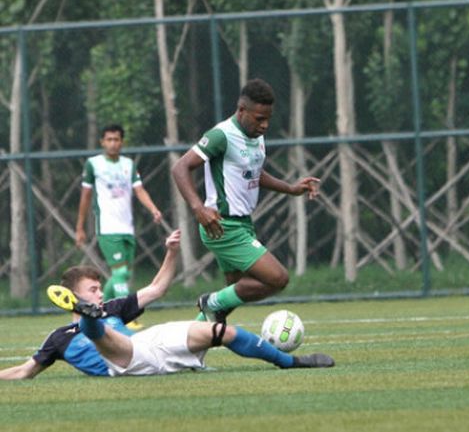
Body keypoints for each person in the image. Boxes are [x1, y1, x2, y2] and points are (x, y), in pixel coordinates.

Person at [0, 230, 334, 380]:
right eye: (93, 290)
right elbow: (25, 371)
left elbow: (157, 288)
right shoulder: (59, 337)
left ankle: (290, 363)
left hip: (148, 344)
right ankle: (90, 322)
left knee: (222, 330)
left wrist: (171, 252)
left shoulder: (115, 307)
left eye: (101, 288)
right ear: (74, 296)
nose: (101, 293)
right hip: (123, 363)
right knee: (101, 333)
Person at [171, 79, 320, 323]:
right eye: (259, 118)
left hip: (243, 224)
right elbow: (180, 168)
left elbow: (254, 172)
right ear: (241, 111)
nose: (265, 125)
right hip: (222, 225)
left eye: (268, 118)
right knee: (278, 278)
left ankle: (186, 346)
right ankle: (210, 302)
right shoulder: (222, 135)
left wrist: (292, 189)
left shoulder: (256, 135)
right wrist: (198, 208)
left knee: (231, 298)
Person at [75, 124, 162, 330]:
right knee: (121, 274)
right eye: (109, 140)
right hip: (107, 227)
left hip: (127, 228)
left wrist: (153, 209)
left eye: (116, 139)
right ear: (102, 142)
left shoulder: (128, 165)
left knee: (120, 276)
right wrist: (80, 227)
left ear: (122, 142)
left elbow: (139, 190)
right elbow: (85, 197)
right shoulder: (93, 164)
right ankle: (128, 317)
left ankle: (97, 310)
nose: (113, 143)